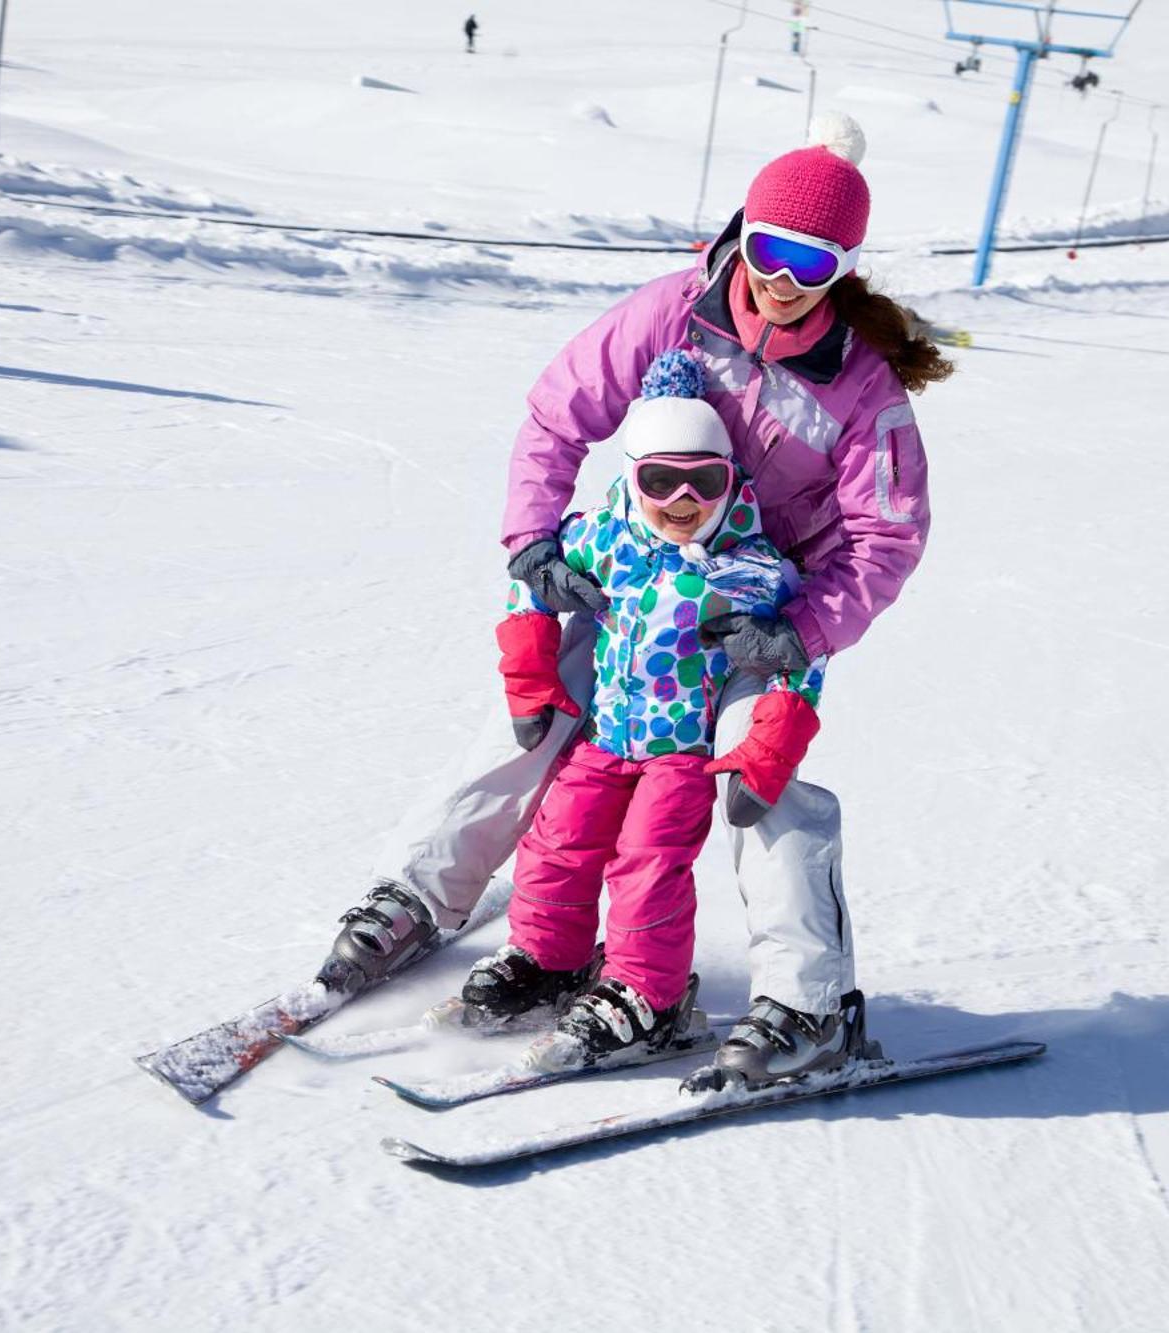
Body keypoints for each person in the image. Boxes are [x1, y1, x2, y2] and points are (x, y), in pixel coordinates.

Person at [315, 113, 951, 1089]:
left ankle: (805, 1004)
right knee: (536, 720)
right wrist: (534, 538)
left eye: (814, 262)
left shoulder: (860, 389)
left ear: (845, 269)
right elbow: (556, 413)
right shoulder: (671, 311)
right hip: (641, 575)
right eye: (772, 249)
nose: (784, 278)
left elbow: (885, 533)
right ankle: (421, 896)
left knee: (759, 782)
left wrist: (801, 627)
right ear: (744, 232)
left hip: (762, 611)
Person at [458, 350, 829, 1070]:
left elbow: (799, 654)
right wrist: (531, 667)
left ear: (731, 480)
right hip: (604, 736)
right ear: (632, 476)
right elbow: (529, 579)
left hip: (683, 752)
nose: (683, 498)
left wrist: (772, 738)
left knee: (648, 862)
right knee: (556, 839)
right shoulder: (603, 537)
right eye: (661, 479)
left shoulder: (748, 565)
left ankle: (647, 994)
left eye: (705, 480)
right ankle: (548, 958)